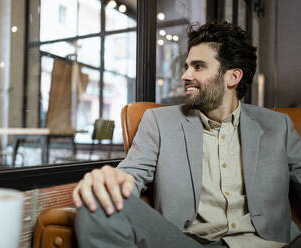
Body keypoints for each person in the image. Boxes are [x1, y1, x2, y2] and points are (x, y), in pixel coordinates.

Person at [72, 22, 301, 248]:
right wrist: (108, 182)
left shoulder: (277, 125)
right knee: (96, 205)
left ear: (233, 77)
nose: (185, 75)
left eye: (198, 66)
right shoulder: (159, 122)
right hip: (188, 243)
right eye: (186, 66)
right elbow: (131, 175)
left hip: (271, 243)